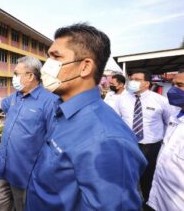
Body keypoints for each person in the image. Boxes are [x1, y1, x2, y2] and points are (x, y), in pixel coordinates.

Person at [26, 23, 147, 210]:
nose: (46, 65)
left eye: (56, 57)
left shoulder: (107, 139)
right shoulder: (62, 110)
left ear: (85, 67)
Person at [0, 56, 58, 211]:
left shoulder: (50, 101)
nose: (13, 78)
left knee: (22, 206)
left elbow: (54, 140)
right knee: (2, 202)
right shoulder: (16, 96)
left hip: (24, 173)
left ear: (30, 76)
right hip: (4, 166)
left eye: (16, 73)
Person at [114, 69, 173, 209]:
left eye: (137, 79)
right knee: (127, 177)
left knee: (149, 179)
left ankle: (148, 203)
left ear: (147, 83)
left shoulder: (161, 100)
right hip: (128, 145)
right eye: (131, 79)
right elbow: (116, 120)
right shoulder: (122, 98)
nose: (132, 82)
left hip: (151, 147)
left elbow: (168, 122)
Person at [147, 69, 184, 210]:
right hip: (159, 199)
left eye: (180, 85)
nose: (173, 90)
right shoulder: (175, 115)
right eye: (173, 84)